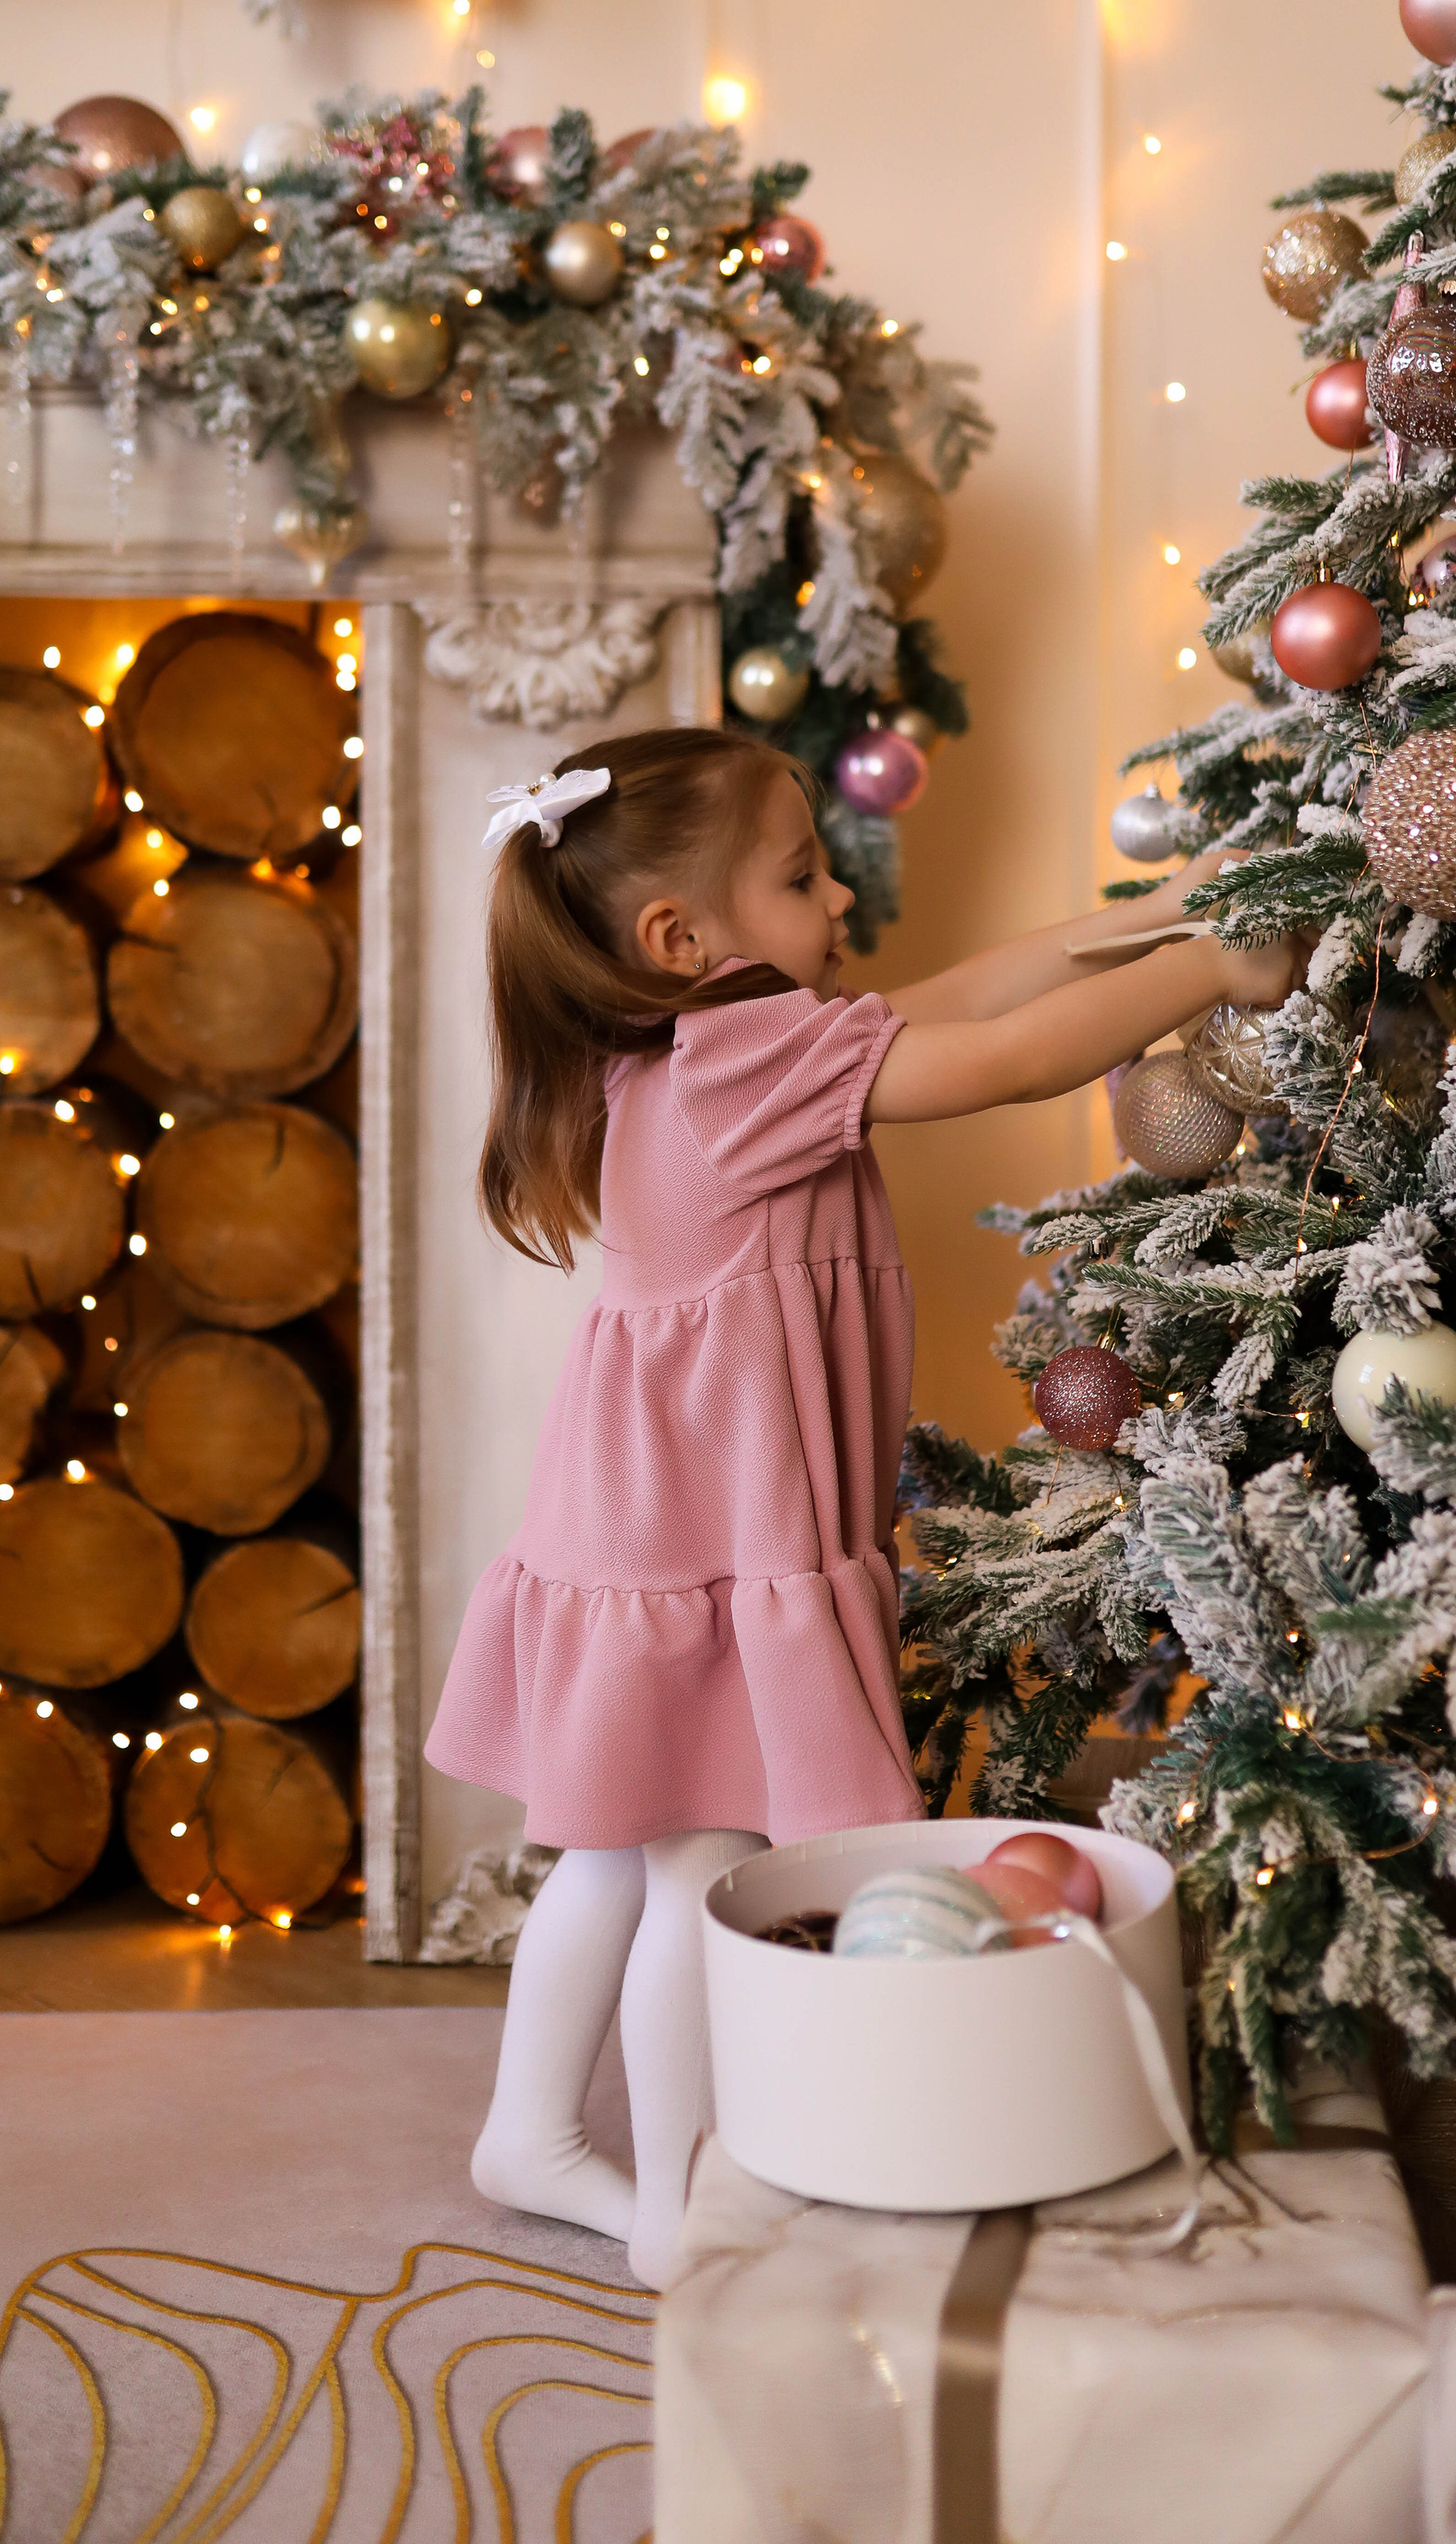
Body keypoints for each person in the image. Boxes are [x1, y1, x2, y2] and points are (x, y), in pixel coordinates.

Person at [425, 725, 1299, 2285]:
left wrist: (1177, 905)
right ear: (679, 940)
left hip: (636, 1518)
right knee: (705, 1866)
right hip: (710, 1536)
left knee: (614, 1858)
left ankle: (529, 2131)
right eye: (797, 873)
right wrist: (1211, 973)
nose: (835, 895)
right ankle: (696, 2198)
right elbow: (1000, 1057)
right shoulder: (745, 1058)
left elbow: (964, 991)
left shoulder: (693, 1052)